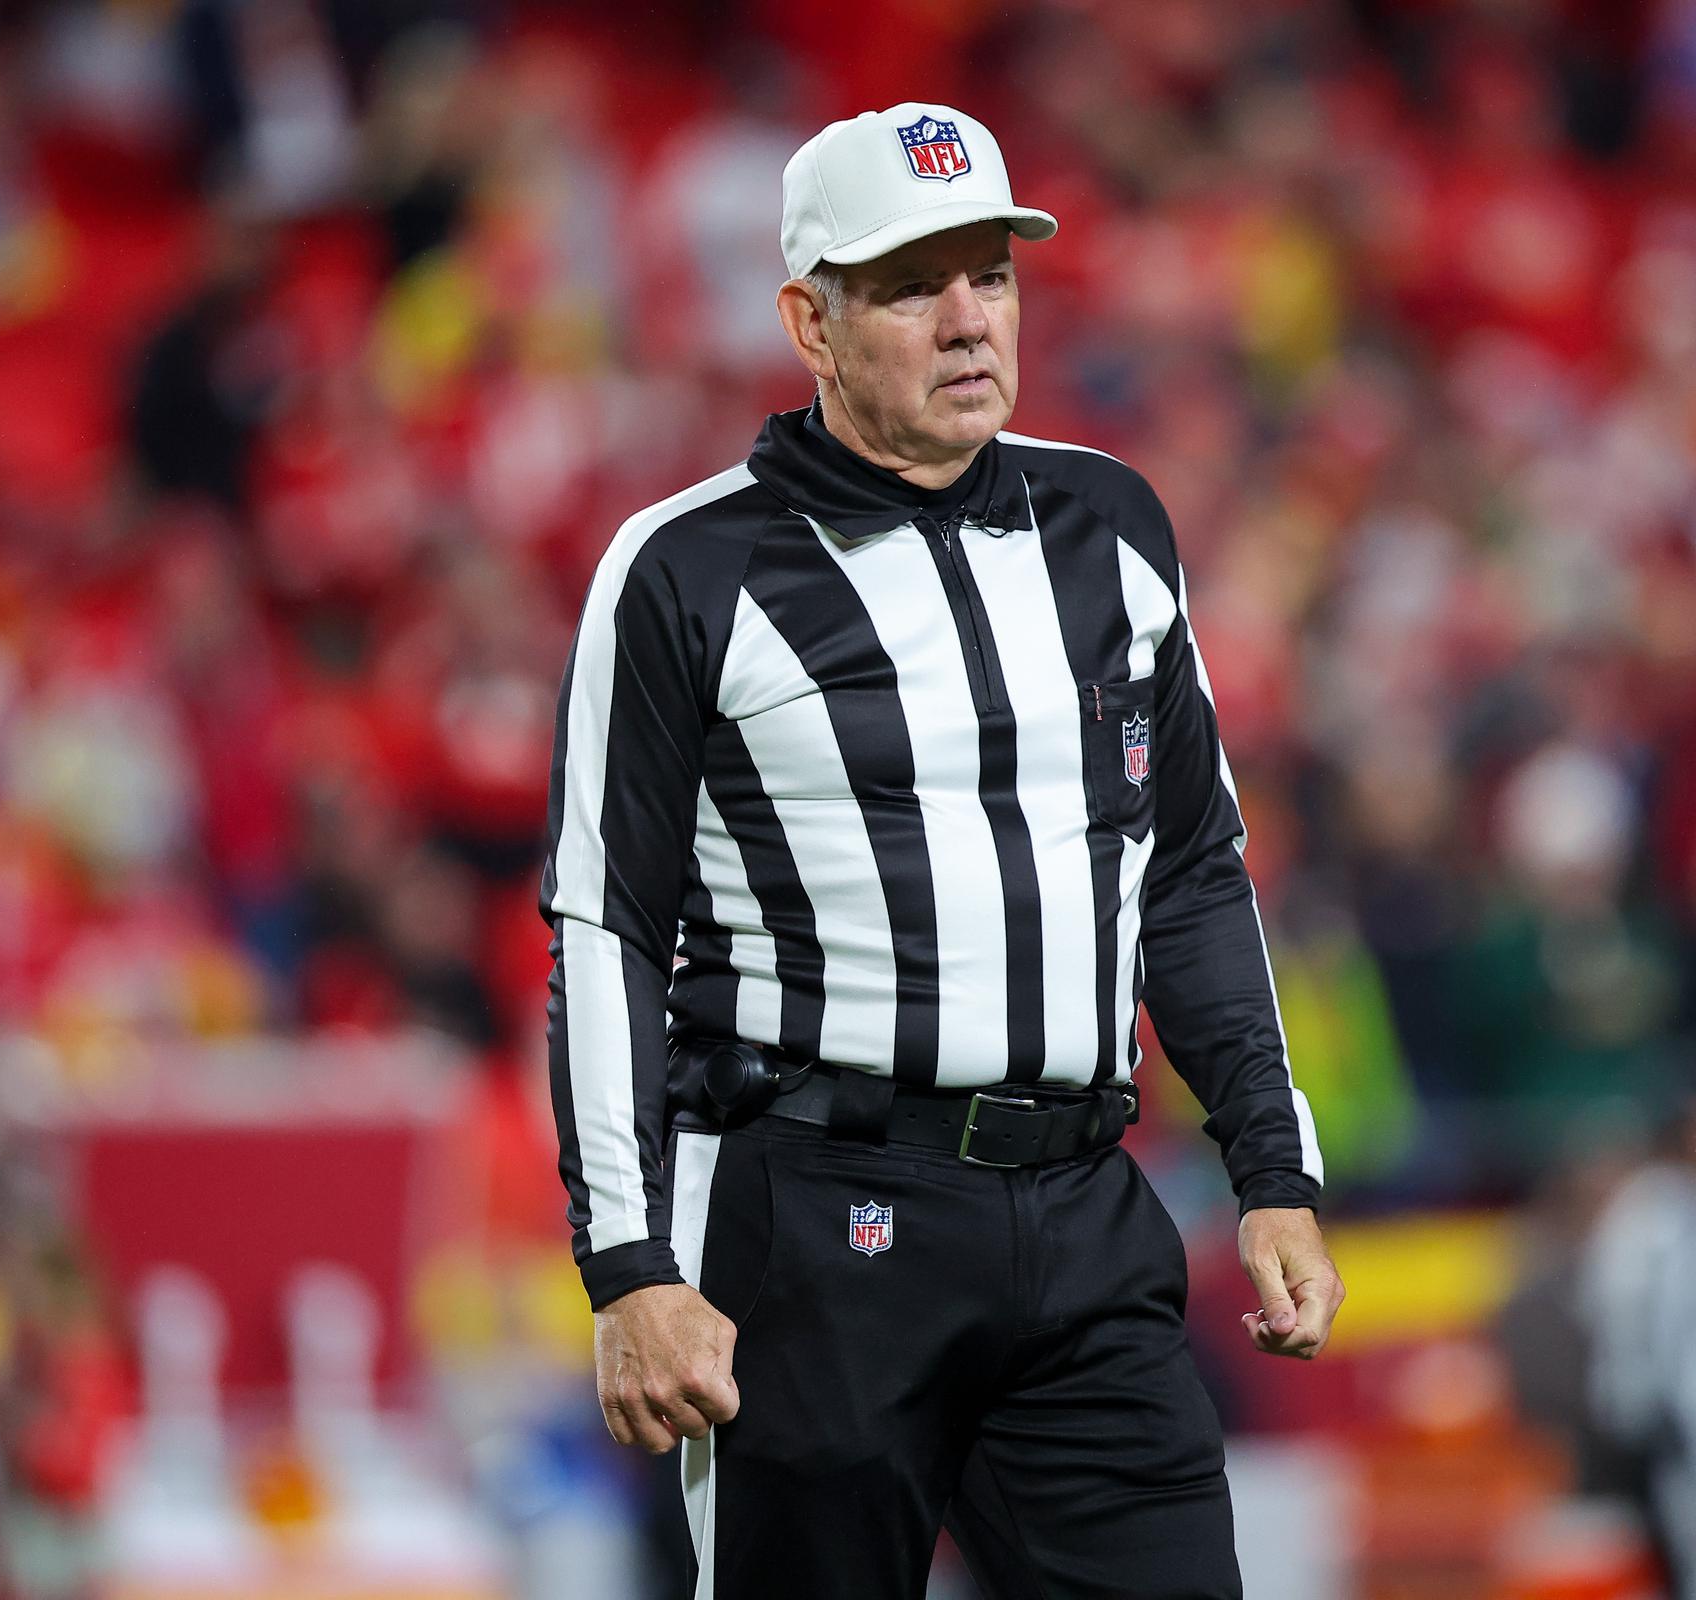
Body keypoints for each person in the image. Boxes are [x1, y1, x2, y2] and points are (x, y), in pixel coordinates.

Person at [541, 101, 1343, 1598]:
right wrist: (632, 1264)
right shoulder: (685, 570)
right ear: (811, 322)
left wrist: (1271, 1166)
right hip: (818, 1221)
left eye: (994, 272)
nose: (971, 319)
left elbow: (1191, 869)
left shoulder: (1112, 525)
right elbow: (606, 930)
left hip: (1089, 1213)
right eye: (915, 284)